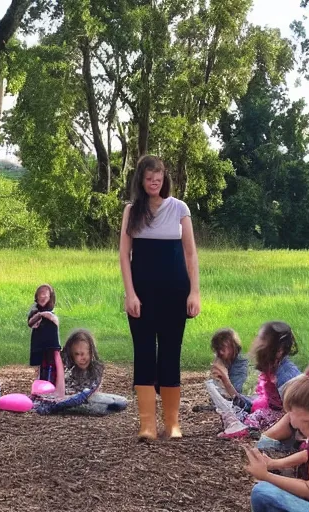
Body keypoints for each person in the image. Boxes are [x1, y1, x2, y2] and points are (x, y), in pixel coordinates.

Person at [119, 155, 200, 440]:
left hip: (175, 293)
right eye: (149, 178)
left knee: (170, 355)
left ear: (165, 179)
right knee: (143, 355)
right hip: (141, 295)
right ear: (141, 180)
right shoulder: (132, 211)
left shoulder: (179, 208)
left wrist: (194, 292)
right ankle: (147, 425)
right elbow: (124, 256)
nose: (155, 182)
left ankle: (172, 423)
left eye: (159, 177)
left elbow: (191, 254)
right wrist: (130, 294)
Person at [245, 362, 309, 512]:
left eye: (291, 411)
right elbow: (307, 455)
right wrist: (274, 463)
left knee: (261, 492)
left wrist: (266, 476)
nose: (288, 414)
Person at [209, 321, 301, 439]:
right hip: (270, 411)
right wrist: (226, 381)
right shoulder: (272, 369)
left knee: (251, 416)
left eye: (262, 341)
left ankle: (247, 430)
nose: (256, 344)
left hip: (284, 420)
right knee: (237, 408)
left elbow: (297, 413)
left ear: (279, 350)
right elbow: (251, 403)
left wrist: (268, 436)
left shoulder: (286, 376)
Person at [33, 329, 127, 416]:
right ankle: (65, 408)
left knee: (121, 401)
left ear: (91, 352)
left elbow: (89, 393)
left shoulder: (96, 368)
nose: (81, 358)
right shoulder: (66, 363)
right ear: (71, 354)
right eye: (77, 354)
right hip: (64, 398)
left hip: (85, 399)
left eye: (85, 353)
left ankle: (67, 408)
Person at [28, 284, 65, 397]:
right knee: (41, 367)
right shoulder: (35, 312)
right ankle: (41, 389)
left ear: (50, 297)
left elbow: (55, 322)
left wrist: (48, 315)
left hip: (52, 346)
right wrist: (40, 315)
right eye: (40, 294)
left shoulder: (52, 314)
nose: (42, 296)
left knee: (53, 366)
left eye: (45, 294)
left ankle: (54, 388)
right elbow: (31, 323)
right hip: (39, 346)